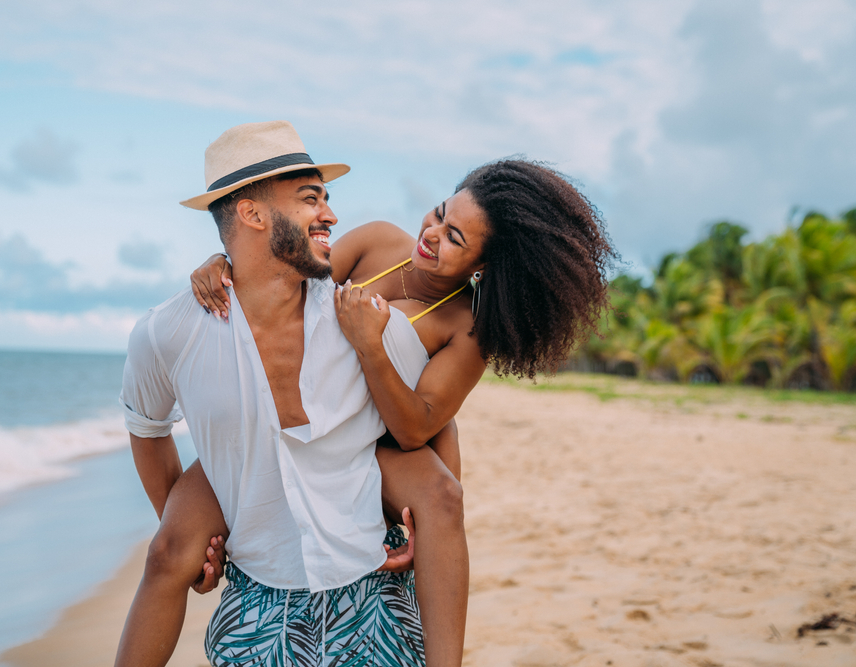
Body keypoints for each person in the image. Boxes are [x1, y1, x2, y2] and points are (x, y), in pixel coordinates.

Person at [187, 154, 616, 665]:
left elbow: (416, 427)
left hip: (369, 442)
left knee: (443, 496)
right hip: (289, 416)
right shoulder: (375, 242)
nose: (432, 233)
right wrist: (224, 265)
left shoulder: (468, 329)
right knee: (171, 550)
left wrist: (372, 347)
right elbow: (289, 278)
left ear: (484, 267)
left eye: (455, 238)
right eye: (438, 213)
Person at [117, 120, 434, 667]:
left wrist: (425, 522)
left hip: (372, 600)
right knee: (164, 555)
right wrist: (190, 542)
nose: (331, 214)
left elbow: (428, 423)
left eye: (327, 199)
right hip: (256, 613)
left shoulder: (364, 325)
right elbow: (147, 428)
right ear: (253, 213)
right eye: (311, 199)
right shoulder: (169, 331)